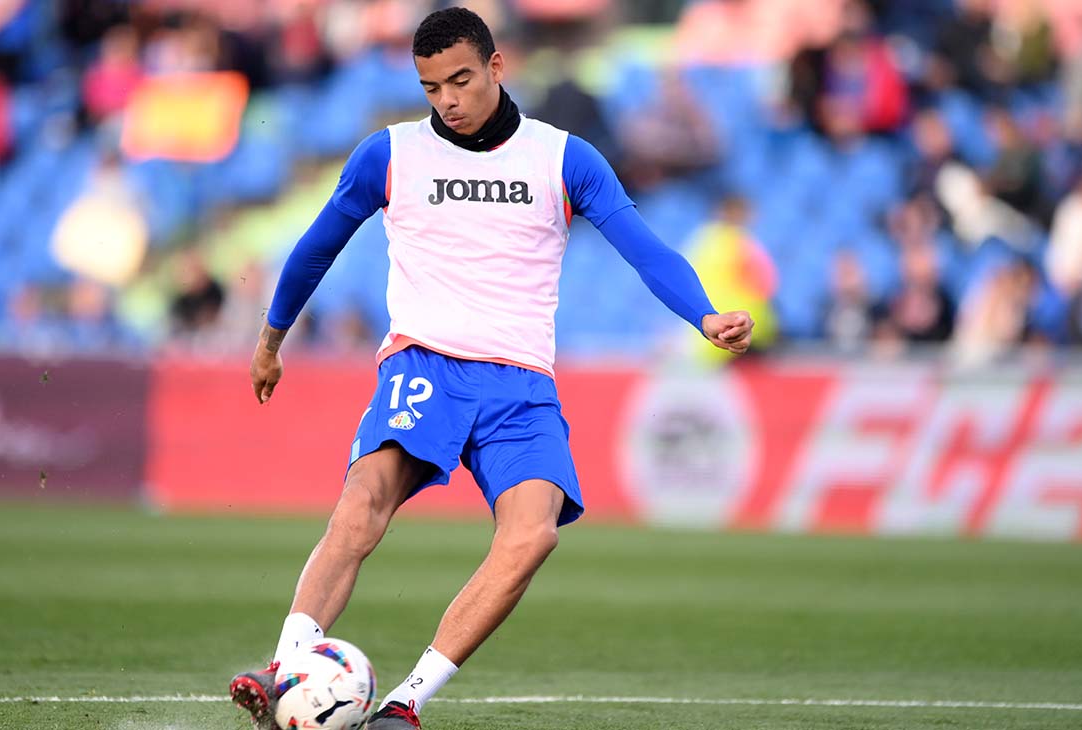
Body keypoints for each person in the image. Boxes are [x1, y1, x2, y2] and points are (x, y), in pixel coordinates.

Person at [228, 9, 754, 730]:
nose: (447, 99)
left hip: (520, 384)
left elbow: (643, 246)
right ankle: (286, 666)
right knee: (363, 501)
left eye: (461, 79)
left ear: (497, 67)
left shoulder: (564, 158)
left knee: (534, 534)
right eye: (431, 86)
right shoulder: (389, 154)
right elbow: (318, 244)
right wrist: (271, 337)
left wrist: (703, 315)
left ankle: (405, 704)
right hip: (426, 364)